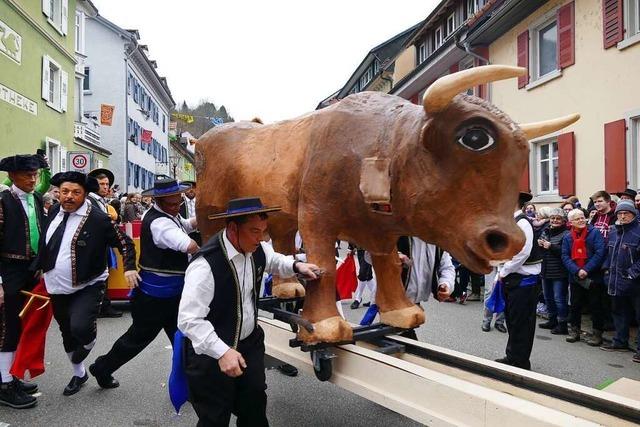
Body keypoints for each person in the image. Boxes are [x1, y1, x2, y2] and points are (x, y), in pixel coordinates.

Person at [178, 197, 319, 426]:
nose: (260, 238)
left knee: (254, 411)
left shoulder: (257, 248)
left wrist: (296, 266)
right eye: (254, 231)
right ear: (233, 228)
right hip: (211, 355)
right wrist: (222, 352)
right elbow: (189, 320)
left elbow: (272, 259)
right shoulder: (205, 266)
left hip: (249, 345)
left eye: (264, 231)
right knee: (214, 418)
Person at [90, 176, 198, 388]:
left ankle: (191, 383)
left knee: (184, 338)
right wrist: (205, 251)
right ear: (159, 201)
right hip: (155, 298)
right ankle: (102, 367)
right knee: (136, 340)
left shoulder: (167, 214)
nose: (177, 207)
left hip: (173, 293)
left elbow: (185, 225)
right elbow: (188, 245)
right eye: (172, 204)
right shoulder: (159, 222)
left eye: (179, 202)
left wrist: (203, 218)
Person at [41, 172, 137, 396]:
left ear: (85, 195)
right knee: (66, 332)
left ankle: (89, 339)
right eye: (65, 192)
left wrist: (129, 266)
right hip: (56, 285)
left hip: (88, 283)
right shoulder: (54, 211)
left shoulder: (98, 218)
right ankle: (79, 373)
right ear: (59, 193)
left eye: (76, 192)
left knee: (80, 328)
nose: (69, 197)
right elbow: (49, 243)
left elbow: (125, 242)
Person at [0, 154, 48, 409]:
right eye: (27, 175)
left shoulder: (36, 198)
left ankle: (12, 375)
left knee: (23, 323)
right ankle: (5, 385)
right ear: (12, 176)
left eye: (35, 174)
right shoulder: (3, 200)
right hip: (9, 269)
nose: (33, 179)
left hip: (30, 269)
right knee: (7, 327)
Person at [494, 192, 542, 370]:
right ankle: (512, 356)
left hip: (524, 281)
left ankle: (520, 362)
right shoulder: (511, 222)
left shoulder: (522, 222)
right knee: (513, 320)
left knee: (522, 323)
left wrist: (504, 271)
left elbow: (522, 252)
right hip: (513, 278)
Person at [600, 200, 640, 362]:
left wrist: (632, 273)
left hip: (635, 283)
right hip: (615, 280)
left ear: (633, 215)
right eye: (620, 213)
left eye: (626, 213)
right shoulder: (613, 231)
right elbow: (608, 255)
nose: (623, 216)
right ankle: (620, 342)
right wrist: (606, 271)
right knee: (618, 312)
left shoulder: (638, 232)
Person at [391, 236, 454, 338]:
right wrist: (393, 256)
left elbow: (447, 267)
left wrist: (446, 284)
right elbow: (369, 255)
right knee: (399, 340)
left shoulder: (437, 240)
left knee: (405, 340)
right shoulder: (397, 230)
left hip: (414, 304)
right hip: (392, 302)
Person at [561, 209, 607, 345]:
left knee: (595, 306)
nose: (581, 220)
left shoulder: (595, 233)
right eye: (577, 219)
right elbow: (564, 256)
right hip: (575, 277)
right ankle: (574, 332)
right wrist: (577, 270)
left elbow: (600, 253)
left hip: (593, 277)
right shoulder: (568, 237)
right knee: (575, 305)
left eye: (582, 217)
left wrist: (586, 270)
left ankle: (597, 335)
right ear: (571, 222)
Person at [87, 168, 122, 319]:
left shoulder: (99, 200)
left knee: (104, 274)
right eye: (102, 184)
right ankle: (100, 306)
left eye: (107, 184)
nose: (106, 187)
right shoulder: (90, 200)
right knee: (99, 275)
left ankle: (103, 305)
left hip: (102, 243)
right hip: (94, 244)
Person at [537, 208, 569, 334]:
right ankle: (552, 320)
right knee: (548, 297)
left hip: (559, 271)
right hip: (545, 269)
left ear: (563, 221)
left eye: (558, 218)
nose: (555, 220)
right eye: (552, 218)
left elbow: (565, 252)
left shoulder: (566, 234)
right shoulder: (545, 231)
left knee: (559, 299)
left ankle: (562, 324)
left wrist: (551, 246)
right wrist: (539, 244)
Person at [179, 180, 202, 246]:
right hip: (184, 235)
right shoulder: (179, 203)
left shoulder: (200, 202)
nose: (191, 190)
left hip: (199, 234)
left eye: (194, 187)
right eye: (189, 188)